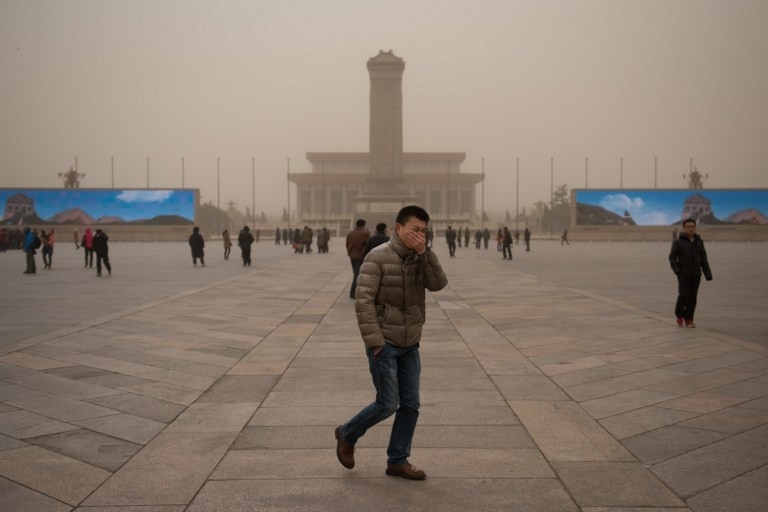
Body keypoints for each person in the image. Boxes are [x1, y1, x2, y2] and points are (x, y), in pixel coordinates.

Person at [335, 205, 448, 480]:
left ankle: (397, 460)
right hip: (385, 343)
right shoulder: (377, 257)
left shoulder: (420, 256)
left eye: (423, 231)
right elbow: (363, 303)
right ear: (398, 228)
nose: (419, 235)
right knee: (387, 403)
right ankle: (347, 433)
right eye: (414, 230)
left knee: (410, 405)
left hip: (411, 342)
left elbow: (438, 283)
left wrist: (425, 253)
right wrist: (376, 343)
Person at [669, 218, 712, 328]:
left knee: (693, 298)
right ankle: (679, 315)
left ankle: (689, 319)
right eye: (688, 227)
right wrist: (677, 270)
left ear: (695, 227)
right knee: (684, 295)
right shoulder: (678, 242)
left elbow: (703, 258)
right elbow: (672, 257)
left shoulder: (699, 241)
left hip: (696, 274)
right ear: (684, 228)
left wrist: (707, 273)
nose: (690, 229)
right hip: (683, 274)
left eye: (692, 226)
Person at [346, 219, 369, 299]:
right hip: (360, 256)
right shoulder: (364, 233)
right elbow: (367, 244)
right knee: (357, 274)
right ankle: (353, 293)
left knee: (356, 273)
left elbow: (347, 244)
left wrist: (349, 252)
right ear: (363, 225)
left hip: (352, 256)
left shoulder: (350, 233)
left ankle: (357, 292)